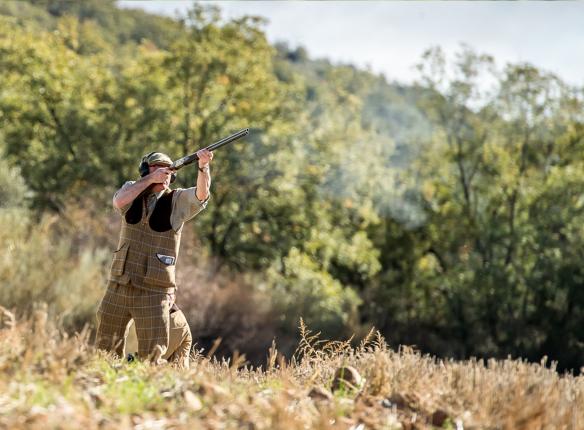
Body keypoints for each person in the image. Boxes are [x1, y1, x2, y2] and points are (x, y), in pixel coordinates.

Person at [95, 149, 213, 362]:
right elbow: (118, 202)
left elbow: (201, 195)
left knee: (151, 357)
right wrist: (150, 179)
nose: (164, 173)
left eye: (168, 170)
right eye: (158, 168)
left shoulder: (177, 201)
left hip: (154, 289)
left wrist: (203, 167)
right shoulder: (132, 191)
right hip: (120, 283)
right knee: (105, 351)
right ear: (145, 172)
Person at [125, 304, 192, 369]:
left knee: (150, 362)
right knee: (177, 367)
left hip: (170, 319)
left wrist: (128, 360)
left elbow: (149, 361)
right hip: (174, 319)